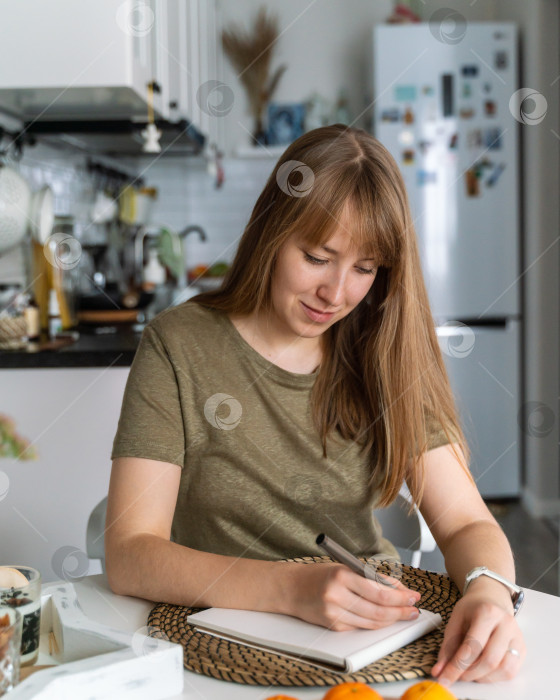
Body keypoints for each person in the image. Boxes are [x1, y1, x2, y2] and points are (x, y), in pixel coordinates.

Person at [106, 124, 525, 686]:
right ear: (270, 233)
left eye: (365, 268)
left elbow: (468, 521)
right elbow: (130, 553)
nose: (337, 294)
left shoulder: (384, 350)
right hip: (217, 648)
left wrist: (488, 590)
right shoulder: (178, 345)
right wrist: (288, 588)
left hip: (369, 647)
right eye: (317, 256)